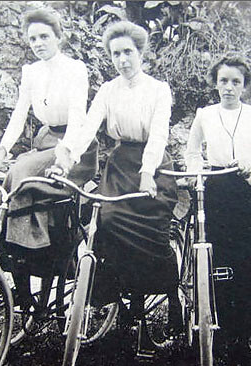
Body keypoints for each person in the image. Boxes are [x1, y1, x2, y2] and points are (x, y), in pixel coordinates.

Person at [55, 20, 181, 335]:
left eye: (128, 52)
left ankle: (170, 293)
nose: (122, 60)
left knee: (153, 232)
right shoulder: (108, 90)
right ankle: (124, 300)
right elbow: (88, 127)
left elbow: (159, 135)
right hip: (120, 165)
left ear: (140, 53)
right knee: (107, 221)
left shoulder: (158, 89)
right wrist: (68, 157)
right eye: (116, 54)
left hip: (153, 166)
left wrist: (148, 173)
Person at [184, 54, 251, 357]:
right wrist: (197, 176)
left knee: (249, 262)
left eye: (235, 82)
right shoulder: (205, 115)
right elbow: (192, 152)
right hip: (215, 192)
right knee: (218, 260)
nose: (229, 87)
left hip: (246, 194)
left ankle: (245, 335)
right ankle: (216, 330)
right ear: (215, 83)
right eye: (223, 81)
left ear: (244, 86)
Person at [0, 8, 93, 251]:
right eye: (33, 38)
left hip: (76, 146)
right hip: (47, 141)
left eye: (44, 36)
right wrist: (0, 154)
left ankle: (24, 244)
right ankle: (11, 247)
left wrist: (65, 153)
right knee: (10, 174)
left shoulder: (75, 68)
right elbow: (19, 114)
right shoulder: (31, 72)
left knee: (22, 171)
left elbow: (78, 117)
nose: (38, 43)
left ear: (58, 37)